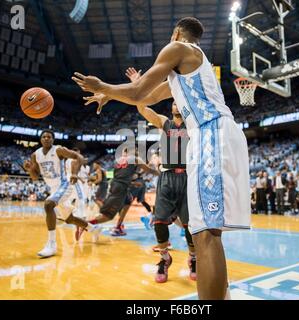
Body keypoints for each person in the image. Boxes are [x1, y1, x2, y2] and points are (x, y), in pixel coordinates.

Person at [74, 16, 251, 300]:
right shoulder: (189, 69)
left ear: (177, 32)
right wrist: (115, 95)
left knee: (206, 234)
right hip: (218, 136)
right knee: (205, 231)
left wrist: (103, 86)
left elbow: (139, 91)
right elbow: (144, 99)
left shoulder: (178, 48)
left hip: (210, 134)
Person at [123, 66, 196, 282]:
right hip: (167, 177)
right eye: (173, 101)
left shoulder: (194, 124)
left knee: (190, 224)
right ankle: (165, 259)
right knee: (160, 221)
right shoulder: (165, 123)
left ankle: (193, 258)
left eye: (179, 101)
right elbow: (143, 109)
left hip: (188, 178)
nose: (176, 104)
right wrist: (138, 84)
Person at [23, 130, 99, 258]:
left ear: (53, 139)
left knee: (48, 205)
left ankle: (51, 245)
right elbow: (35, 177)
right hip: (54, 188)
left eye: (49, 137)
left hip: (64, 185)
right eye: (44, 136)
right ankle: (94, 229)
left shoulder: (59, 150)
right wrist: (29, 169)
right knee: (69, 219)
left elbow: (79, 157)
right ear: (40, 139)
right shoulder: (35, 155)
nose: (46, 138)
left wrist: (75, 173)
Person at [79, 148, 159, 239]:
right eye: (135, 150)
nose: (137, 151)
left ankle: (119, 225)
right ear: (129, 152)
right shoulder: (135, 159)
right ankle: (85, 224)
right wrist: (160, 173)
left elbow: (121, 176)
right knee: (108, 216)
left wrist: (132, 183)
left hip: (120, 186)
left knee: (128, 200)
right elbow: (149, 170)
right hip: (120, 188)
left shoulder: (119, 161)